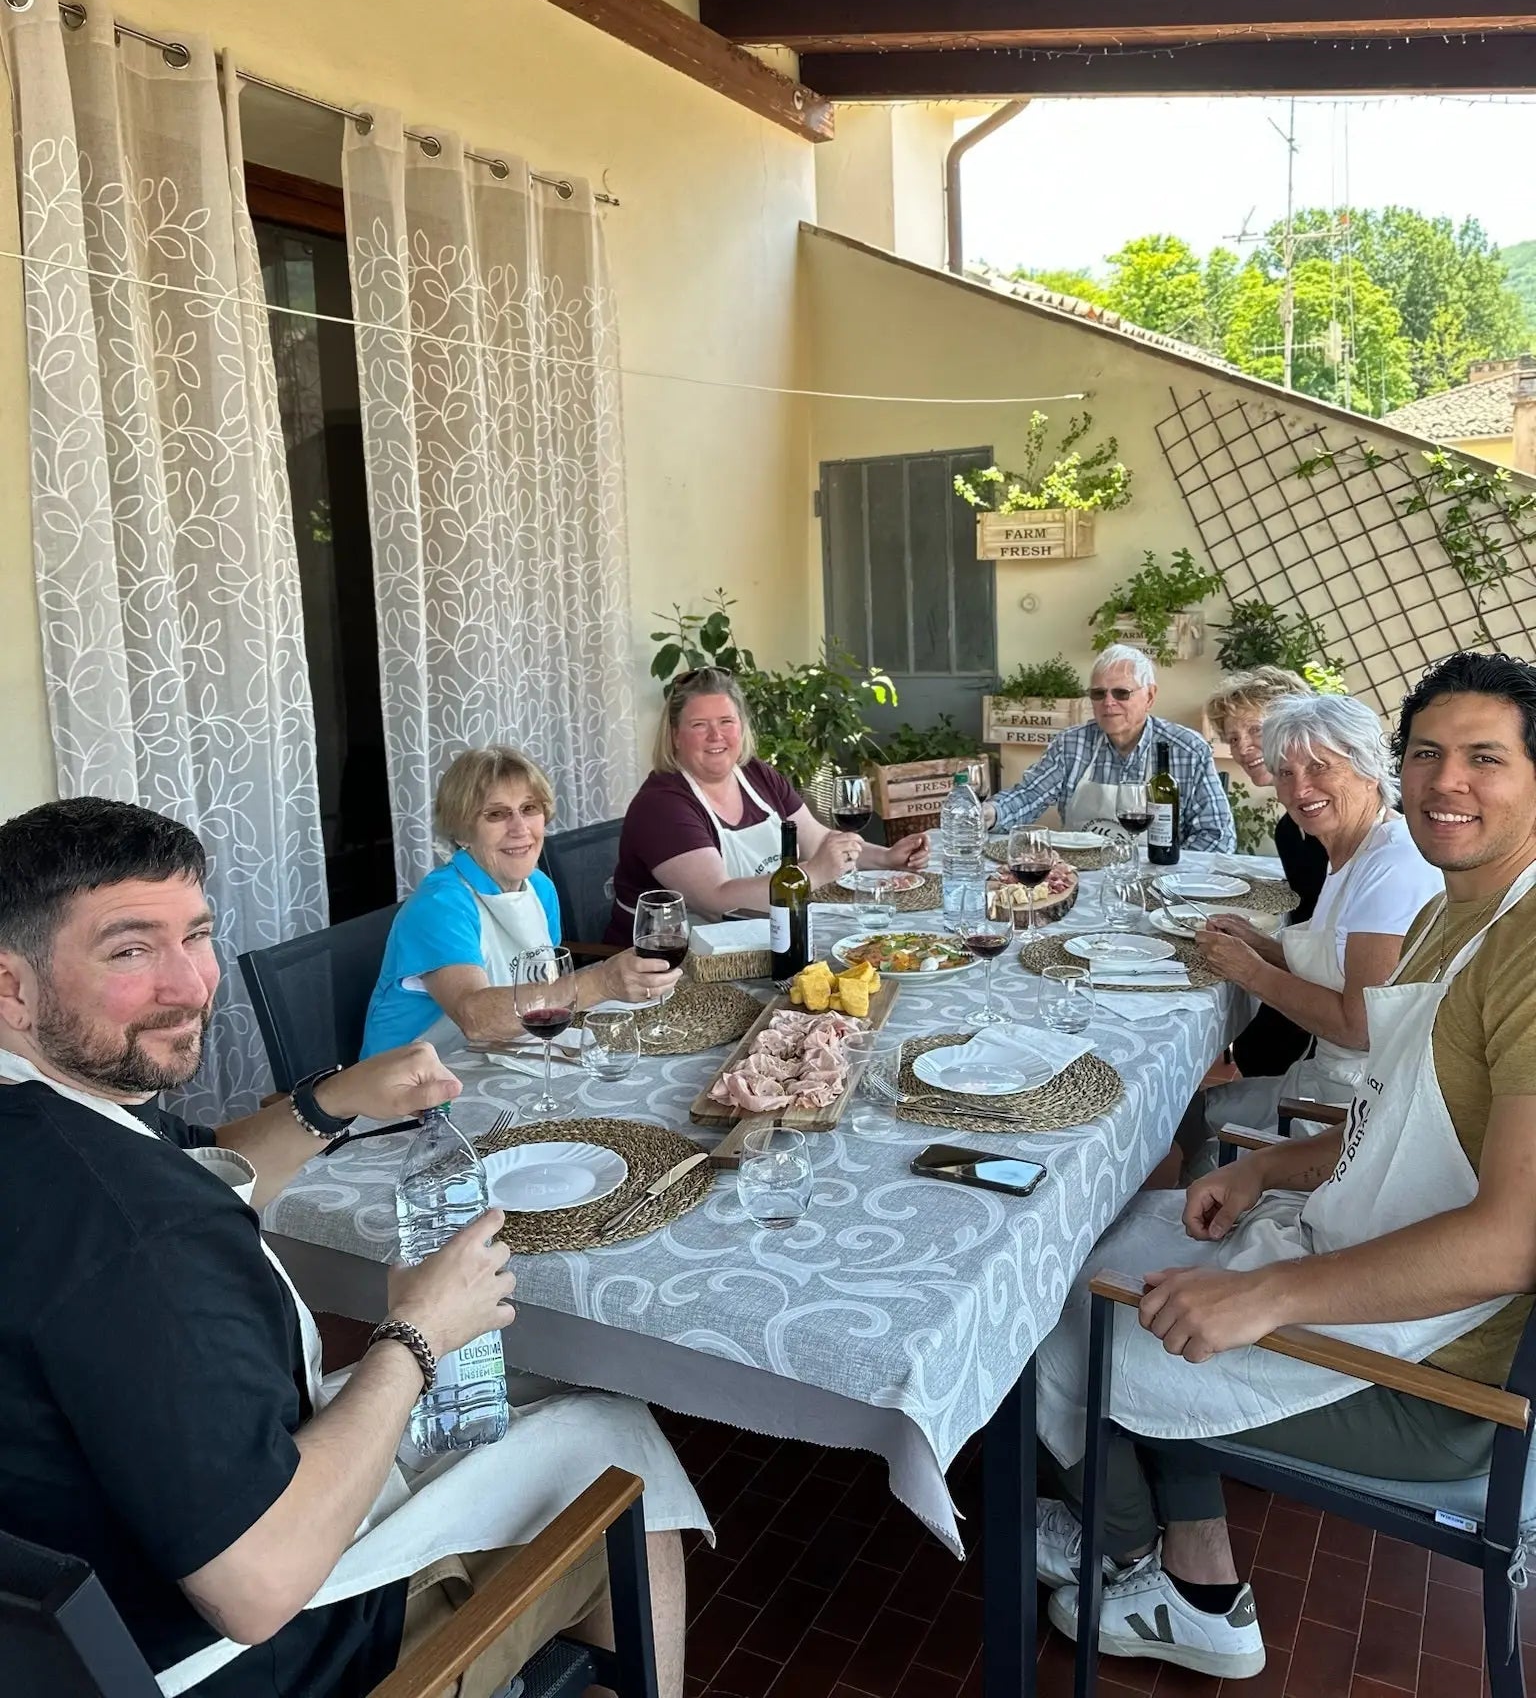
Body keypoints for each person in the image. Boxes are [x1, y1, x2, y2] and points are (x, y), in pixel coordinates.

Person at [0, 796, 705, 1698]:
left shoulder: (55, 1119)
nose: (191, 985)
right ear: (15, 983)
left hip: (110, 1557)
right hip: (257, 1654)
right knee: (618, 1451)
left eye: (198, 936)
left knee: (545, 1392)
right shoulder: (131, 1233)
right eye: (130, 950)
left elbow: (204, 1173)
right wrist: (413, 1334)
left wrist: (330, 1103)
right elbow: (257, 1589)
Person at [1030, 650, 1536, 1682]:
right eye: (1428, 753)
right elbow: (1402, 1115)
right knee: (1100, 1255)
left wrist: (1261, 1293)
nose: (1448, 781)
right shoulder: (1456, 907)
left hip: (1427, 1371)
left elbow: (1509, 1239)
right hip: (1353, 1247)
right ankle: (1198, 1573)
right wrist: (1270, 1172)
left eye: (1486, 756)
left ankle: (1135, 1565)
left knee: (1053, 1322)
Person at [1196, 691, 1442, 1127]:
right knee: (1182, 1112)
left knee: (1184, 1116)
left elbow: (1360, 1027)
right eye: (1286, 772)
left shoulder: (1393, 865)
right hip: (1320, 1077)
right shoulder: (1350, 848)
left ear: (1368, 769)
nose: (1299, 789)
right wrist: (1260, 945)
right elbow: (1340, 963)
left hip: (1355, 1110)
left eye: (1318, 767)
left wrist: (1249, 971)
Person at [364, 746, 678, 1058]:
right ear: (462, 832)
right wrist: (602, 983)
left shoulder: (539, 888)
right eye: (496, 814)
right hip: (408, 1088)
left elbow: (547, 992)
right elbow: (475, 1018)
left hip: (496, 1057)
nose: (519, 828)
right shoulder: (440, 904)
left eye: (529, 808)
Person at [605, 669, 926, 939]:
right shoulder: (663, 805)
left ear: (741, 727)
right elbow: (716, 897)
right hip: (665, 969)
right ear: (675, 736)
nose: (715, 736)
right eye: (699, 725)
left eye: (726, 721)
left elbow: (818, 842)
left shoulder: (756, 775)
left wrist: (887, 857)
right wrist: (810, 875)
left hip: (760, 940)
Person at [988, 646, 1235, 852]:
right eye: (1098, 693)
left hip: (1160, 881)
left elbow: (1217, 836)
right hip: (1082, 877)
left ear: (1150, 696)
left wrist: (1172, 876)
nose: (1108, 703)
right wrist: (990, 813)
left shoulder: (1188, 750)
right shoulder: (1071, 744)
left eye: (1121, 693)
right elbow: (1029, 796)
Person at [1205, 667, 1328, 1079]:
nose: (1242, 748)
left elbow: (1328, 959)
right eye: (1233, 738)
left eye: (1255, 730)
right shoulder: (1290, 829)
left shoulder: (1320, 823)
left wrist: (1245, 1062)